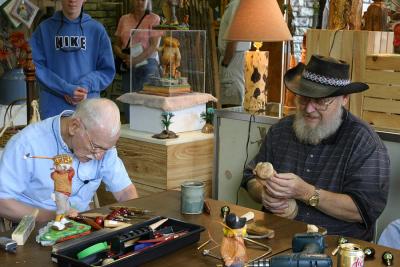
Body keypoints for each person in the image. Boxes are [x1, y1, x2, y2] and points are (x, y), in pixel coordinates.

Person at [242, 55, 390, 241]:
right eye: (303, 98)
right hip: (275, 237)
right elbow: (249, 177)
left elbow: (363, 210)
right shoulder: (280, 130)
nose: (309, 108)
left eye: (321, 101)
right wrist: (262, 193)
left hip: (335, 246)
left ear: (344, 98)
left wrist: (306, 192)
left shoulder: (364, 143)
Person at [0, 98, 138, 223]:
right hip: (36, 225)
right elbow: (3, 201)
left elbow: (125, 192)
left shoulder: (102, 143)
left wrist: (136, 224)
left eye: (107, 149)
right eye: (95, 147)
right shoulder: (27, 144)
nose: (100, 156)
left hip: (83, 223)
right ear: (74, 127)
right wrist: (53, 216)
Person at [29, 0, 115, 119]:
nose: (72, 0)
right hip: (53, 110)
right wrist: (65, 89)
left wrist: (85, 86)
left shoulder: (97, 30)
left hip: (87, 109)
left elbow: (107, 70)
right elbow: (35, 66)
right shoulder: (44, 29)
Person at [114, 0, 160, 122]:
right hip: (127, 63)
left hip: (147, 63)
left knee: (146, 100)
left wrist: (135, 60)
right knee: (129, 99)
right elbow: (117, 45)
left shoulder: (154, 19)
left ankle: (148, 128)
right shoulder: (124, 19)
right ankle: (131, 128)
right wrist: (123, 56)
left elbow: (153, 46)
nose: (140, 2)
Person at [217, 0, 251, 108]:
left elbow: (234, 35)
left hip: (233, 57)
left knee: (231, 103)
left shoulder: (236, 4)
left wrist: (226, 62)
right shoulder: (239, 4)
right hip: (236, 56)